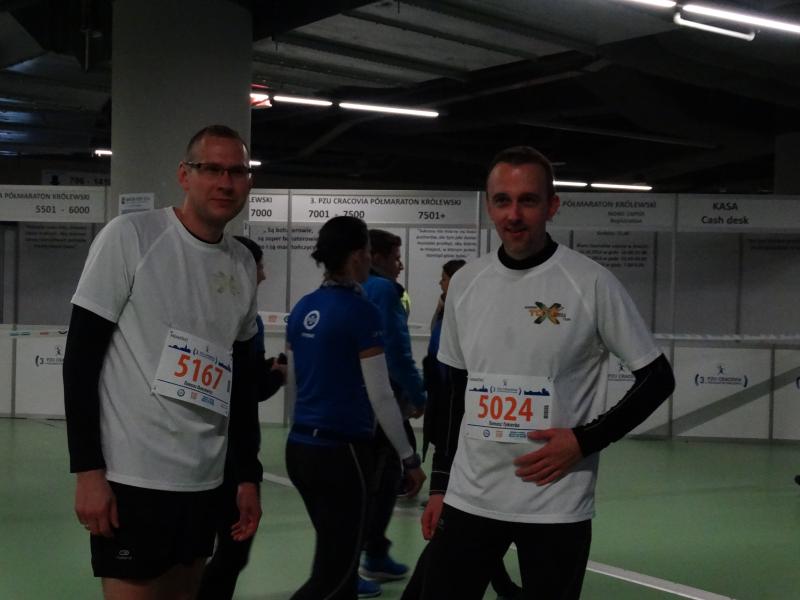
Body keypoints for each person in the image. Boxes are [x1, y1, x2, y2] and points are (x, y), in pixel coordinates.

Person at [409, 146, 675, 600]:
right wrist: (440, 485)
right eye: (502, 201)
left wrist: (584, 440)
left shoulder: (590, 282)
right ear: (489, 206)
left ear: (552, 206)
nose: (513, 214)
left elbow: (657, 378)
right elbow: (453, 392)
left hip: (555, 502)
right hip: (471, 498)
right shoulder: (466, 284)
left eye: (528, 200)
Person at [63, 124, 263, 600]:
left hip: (205, 480)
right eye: (211, 169)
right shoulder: (131, 236)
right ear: (184, 175)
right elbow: (80, 361)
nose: (225, 182)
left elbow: (239, 386)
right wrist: (88, 472)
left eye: (237, 172)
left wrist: (246, 476)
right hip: (133, 478)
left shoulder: (242, 264)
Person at [285, 216, 426, 600]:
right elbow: (381, 395)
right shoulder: (361, 311)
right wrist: (409, 457)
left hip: (300, 449)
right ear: (356, 256)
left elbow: (295, 385)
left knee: (335, 566)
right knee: (336, 574)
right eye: (366, 251)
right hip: (342, 455)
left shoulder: (302, 308)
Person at [405, 258, 523, 600]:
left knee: (465, 532)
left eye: (445, 279)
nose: (441, 284)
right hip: (455, 437)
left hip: (471, 439)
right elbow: (444, 380)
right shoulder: (445, 317)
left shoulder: (470, 320)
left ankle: (502, 586)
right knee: (459, 533)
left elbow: (453, 385)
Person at [197, 235, 287, 600]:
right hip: (228, 453)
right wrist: (276, 376)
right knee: (233, 546)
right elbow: (246, 391)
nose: (263, 274)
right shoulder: (242, 324)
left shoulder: (223, 318)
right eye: (259, 266)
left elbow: (239, 379)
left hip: (210, 448)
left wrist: (266, 370)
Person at [360, 229, 426, 592]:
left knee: (378, 482)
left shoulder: (351, 289)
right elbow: (397, 351)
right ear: (377, 256)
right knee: (380, 482)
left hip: (358, 404)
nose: (400, 265)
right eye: (396, 257)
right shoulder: (384, 290)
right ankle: (357, 564)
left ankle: (375, 552)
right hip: (381, 404)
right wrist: (418, 395)